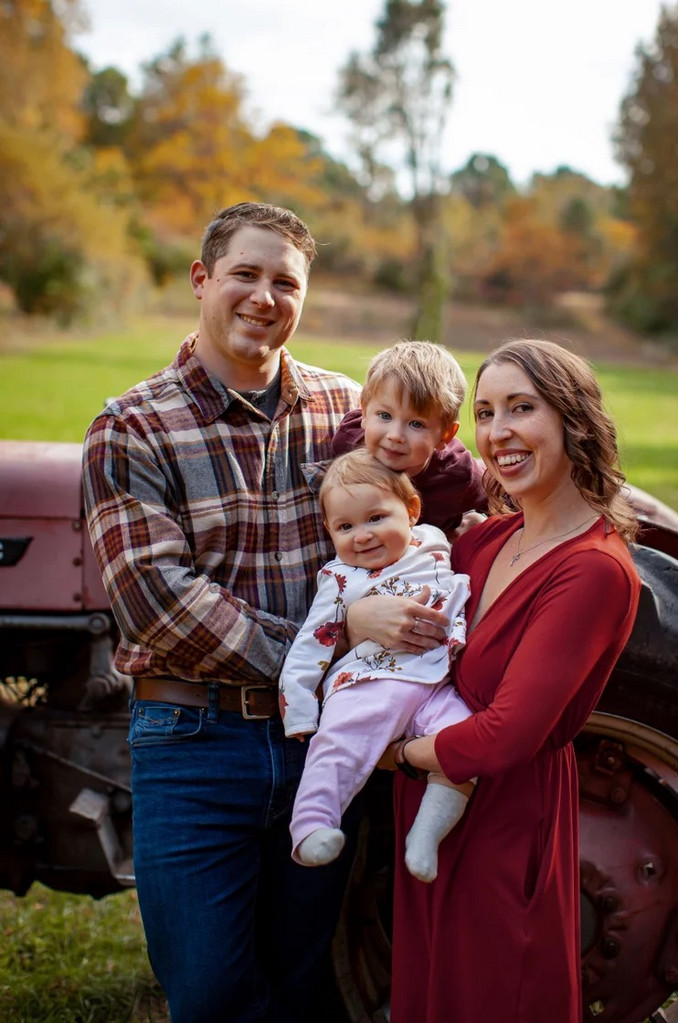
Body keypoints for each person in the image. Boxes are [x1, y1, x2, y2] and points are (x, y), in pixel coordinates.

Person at [81, 201, 408, 1023]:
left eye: (284, 282)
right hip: (195, 741)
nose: (264, 297)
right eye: (245, 274)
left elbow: (439, 478)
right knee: (212, 993)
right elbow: (158, 600)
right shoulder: (131, 426)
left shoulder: (348, 413)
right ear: (201, 280)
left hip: (325, 743)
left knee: (306, 981)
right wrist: (328, 649)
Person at [347, 338, 642, 1023]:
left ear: (573, 422)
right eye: (483, 411)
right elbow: (395, 626)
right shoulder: (479, 544)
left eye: (520, 408)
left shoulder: (593, 568)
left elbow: (508, 732)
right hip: (429, 811)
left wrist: (389, 752)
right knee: (428, 994)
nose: (497, 431)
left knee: (493, 993)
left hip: (507, 819)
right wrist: (360, 615)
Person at [280, 449, 473, 884]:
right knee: (337, 747)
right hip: (370, 681)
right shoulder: (340, 580)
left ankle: (426, 833)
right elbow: (310, 647)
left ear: (411, 512)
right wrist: (300, 710)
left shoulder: (432, 542)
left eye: (375, 518)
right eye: (345, 527)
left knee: (463, 747)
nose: (362, 536)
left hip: (435, 682)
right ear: (330, 532)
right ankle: (311, 825)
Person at [332, 339, 489, 535]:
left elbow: (502, 492)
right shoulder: (348, 442)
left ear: (445, 435)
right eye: (385, 416)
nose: (395, 435)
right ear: (364, 412)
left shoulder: (458, 472)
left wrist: (479, 524)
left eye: (416, 424)